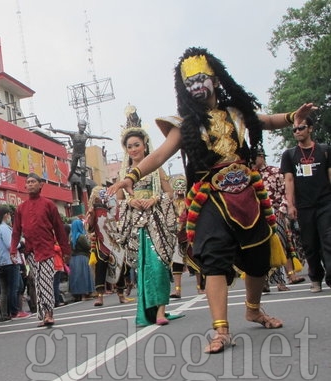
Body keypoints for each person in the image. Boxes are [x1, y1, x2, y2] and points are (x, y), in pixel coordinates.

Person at [109, 47, 315, 353]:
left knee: (259, 259)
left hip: (247, 193)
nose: (196, 86)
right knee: (214, 260)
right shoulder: (185, 124)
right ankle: (221, 330)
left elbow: (266, 121)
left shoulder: (236, 113)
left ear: (215, 80)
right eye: (189, 81)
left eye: (201, 78)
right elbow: (161, 154)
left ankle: (253, 309)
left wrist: (291, 118)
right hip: (210, 200)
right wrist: (132, 175)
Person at [116, 127, 176, 326]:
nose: (133, 149)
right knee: (142, 267)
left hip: (156, 222)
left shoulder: (156, 169)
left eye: (137, 145)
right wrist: (129, 202)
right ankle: (147, 310)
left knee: (158, 264)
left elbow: (171, 194)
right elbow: (117, 201)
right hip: (136, 225)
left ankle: (161, 310)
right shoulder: (123, 173)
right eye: (129, 146)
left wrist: (155, 198)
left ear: (144, 146)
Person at [11, 173, 71, 327]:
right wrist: (13, 250)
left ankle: (49, 313)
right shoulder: (20, 208)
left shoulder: (48, 204)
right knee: (36, 281)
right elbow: (16, 231)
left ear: (40, 185)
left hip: (46, 249)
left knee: (45, 280)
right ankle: (44, 313)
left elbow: (59, 228)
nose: (30, 185)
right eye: (28, 182)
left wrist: (65, 251)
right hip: (30, 251)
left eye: (33, 182)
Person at [280, 116, 331, 293]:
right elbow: (289, 180)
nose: (297, 132)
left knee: (328, 240)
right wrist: (291, 205)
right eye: (294, 129)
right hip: (304, 206)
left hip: (325, 203)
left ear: (310, 128)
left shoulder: (324, 150)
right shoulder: (289, 155)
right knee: (310, 244)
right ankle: (316, 277)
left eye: (301, 128)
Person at [252, 149, 298, 292]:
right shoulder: (250, 175)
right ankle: (263, 282)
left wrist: (283, 210)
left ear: (261, 157)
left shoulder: (275, 171)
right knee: (260, 249)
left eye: (254, 159)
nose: (252, 162)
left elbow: (287, 192)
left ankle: (281, 281)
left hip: (275, 213)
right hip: (256, 216)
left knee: (278, 246)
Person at [86, 186, 129, 306]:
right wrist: (91, 216)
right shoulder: (92, 210)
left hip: (115, 242)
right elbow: (89, 228)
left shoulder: (115, 208)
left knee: (119, 267)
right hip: (101, 243)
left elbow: (118, 223)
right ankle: (100, 297)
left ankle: (121, 294)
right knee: (100, 269)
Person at [50, 120, 111, 185]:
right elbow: (62, 131)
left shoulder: (86, 135)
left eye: (84, 126)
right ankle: (69, 179)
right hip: (75, 154)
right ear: (78, 126)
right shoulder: (73, 134)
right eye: (82, 125)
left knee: (83, 170)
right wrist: (54, 130)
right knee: (73, 169)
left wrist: (106, 137)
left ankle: (83, 186)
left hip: (82, 155)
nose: (83, 127)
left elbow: (97, 137)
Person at [0, 206, 26, 320]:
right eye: (9, 215)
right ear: (5, 215)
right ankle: (14, 311)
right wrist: (21, 243)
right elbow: (10, 244)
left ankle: (11, 311)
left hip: (5, 261)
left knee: (14, 287)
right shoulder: (4, 228)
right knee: (14, 287)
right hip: (10, 260)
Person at [68, 220, 95, 301]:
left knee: (76, 277)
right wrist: (90, 240)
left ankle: (77, 295)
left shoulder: (71, 237)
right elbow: (88, 246)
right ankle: (85, 295)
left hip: (73, 259)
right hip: (83, 258)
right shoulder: (81, 236)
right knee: (84, 276)